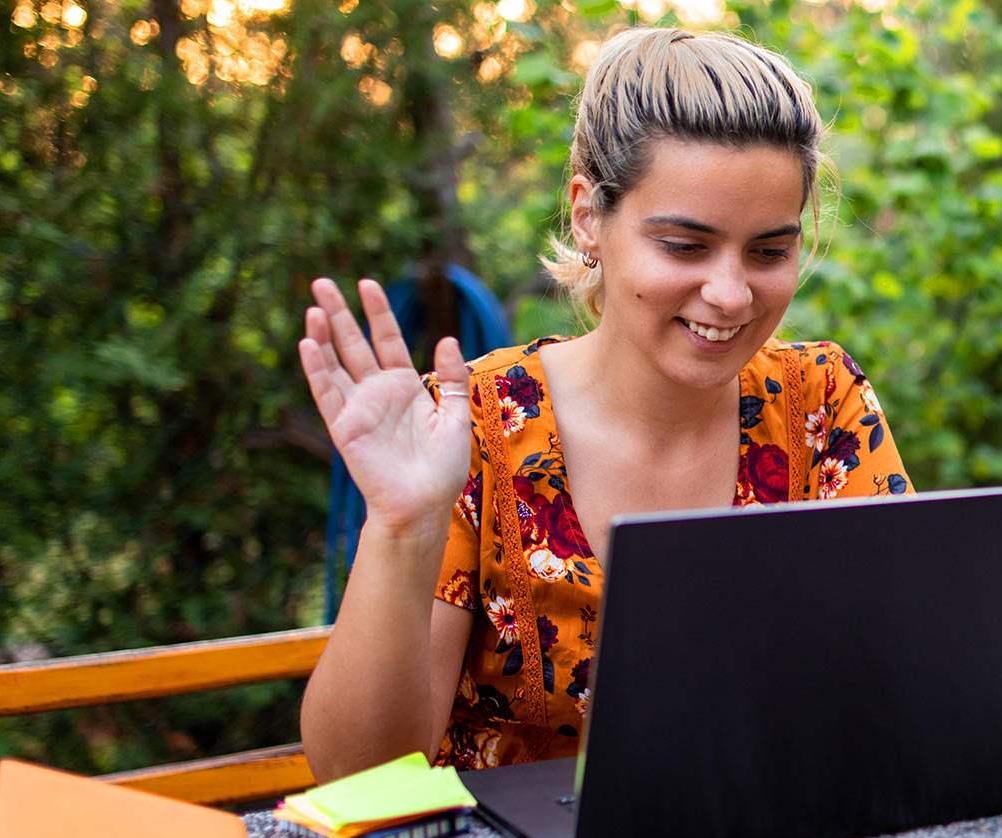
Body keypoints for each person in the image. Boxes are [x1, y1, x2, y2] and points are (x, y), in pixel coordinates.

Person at [295, 27, 914, 782]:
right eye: (685, 246)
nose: (730, 294)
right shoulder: (473, 429)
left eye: (768, 251)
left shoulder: (822, 402)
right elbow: (359, 779)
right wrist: (402, 528)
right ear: (589, 216)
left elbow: (895, 677)